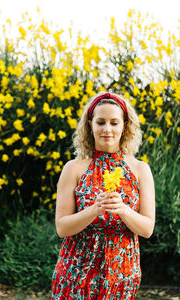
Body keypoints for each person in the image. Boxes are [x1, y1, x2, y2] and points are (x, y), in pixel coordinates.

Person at [51, 91, 155, 299]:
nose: (107, 129)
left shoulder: (140, 169)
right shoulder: (74, 168)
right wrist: (94, 210)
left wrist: (124, 210)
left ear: (124, 125)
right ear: (90, 125)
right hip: (76, 276)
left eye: (114, 123)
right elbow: (62, 228)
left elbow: (147, 229)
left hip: (122, 277)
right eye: (101, 122)